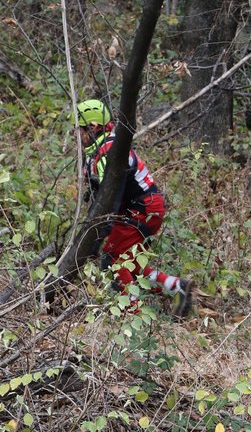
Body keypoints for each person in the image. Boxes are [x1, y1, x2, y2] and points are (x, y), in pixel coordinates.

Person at [76, 98, 192, 316]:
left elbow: (111, 195)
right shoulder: (98, 149)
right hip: (140, 206)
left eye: (79, 129)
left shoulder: (110, 150)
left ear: (92, 127)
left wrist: (101, 232)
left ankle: (131, 316)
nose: (77, 135)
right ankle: (176, 287)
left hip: (143, 208)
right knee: (129, 263)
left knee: (112, 259)